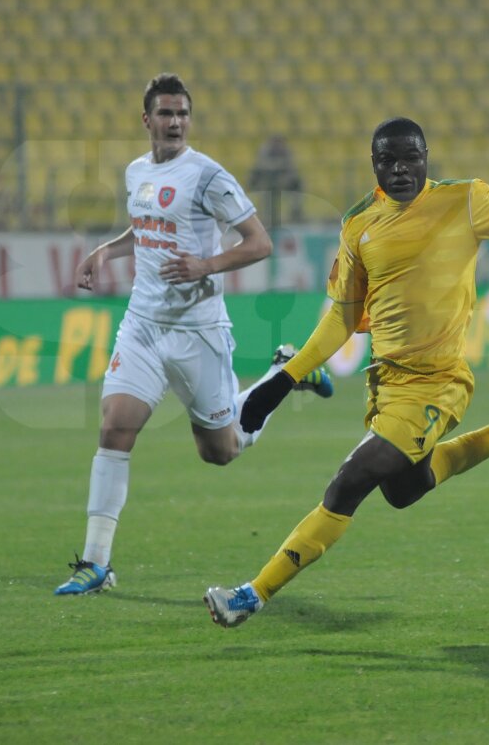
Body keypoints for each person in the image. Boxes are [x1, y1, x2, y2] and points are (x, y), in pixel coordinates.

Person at [203, 117, 489, 628]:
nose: (399, 169)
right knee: (402, 490)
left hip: (439, 383)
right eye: (387, 160)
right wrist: (284, 382)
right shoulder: (359, 223)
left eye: (410, 158)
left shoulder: (467, 200)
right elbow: (343, 317)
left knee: (349, 482)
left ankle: (252, 594)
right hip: (388, 384)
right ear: (373, 164)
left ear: (426, 156)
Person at [55, 73, 333, 596]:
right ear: (147, 120)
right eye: (165, 113)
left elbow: (259, 243)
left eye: (182, 113)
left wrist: (206, 263)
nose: (175, 121)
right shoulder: (136, 171)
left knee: (221, 451)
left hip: (197, 331)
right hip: (143, 325)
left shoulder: (208, 176)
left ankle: (282, 374)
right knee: (115, 427)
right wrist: (106, 251)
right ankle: (94, 563)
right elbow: (146, 227)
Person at [249, 133, 304, 225]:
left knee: (297, 184)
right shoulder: (265, 150)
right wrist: (277, 165)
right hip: (266, 179)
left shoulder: (286, 151)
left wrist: (283, 178)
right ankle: (258, 214)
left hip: (283, 179)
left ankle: (295, 212)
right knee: (263, 188)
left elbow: (290, 167)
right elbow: (261, 165)